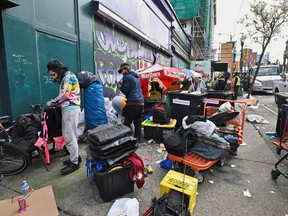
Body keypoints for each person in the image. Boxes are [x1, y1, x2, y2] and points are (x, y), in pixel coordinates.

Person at [46, 60, 81, 175]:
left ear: (58, 71)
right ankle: (75, 157)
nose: (53, 77)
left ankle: (74, 162)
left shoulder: (68, 77)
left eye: (53, 74)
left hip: (70, 109)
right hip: (71, 109)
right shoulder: (68, 76)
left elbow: (65, 94)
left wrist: (52, 102)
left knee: (69, 136)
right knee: (72, 135)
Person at [116, 62, 144, 143]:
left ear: (125, 69)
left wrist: (120, 86)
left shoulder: (126, 77)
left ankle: (127, 140)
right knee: (137, 122)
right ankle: (137, 140)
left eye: (121, 71)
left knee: (127, 122)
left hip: (132, 102)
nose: (121, 73)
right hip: (140, 102)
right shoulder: (137, 77)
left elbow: (126, 90)